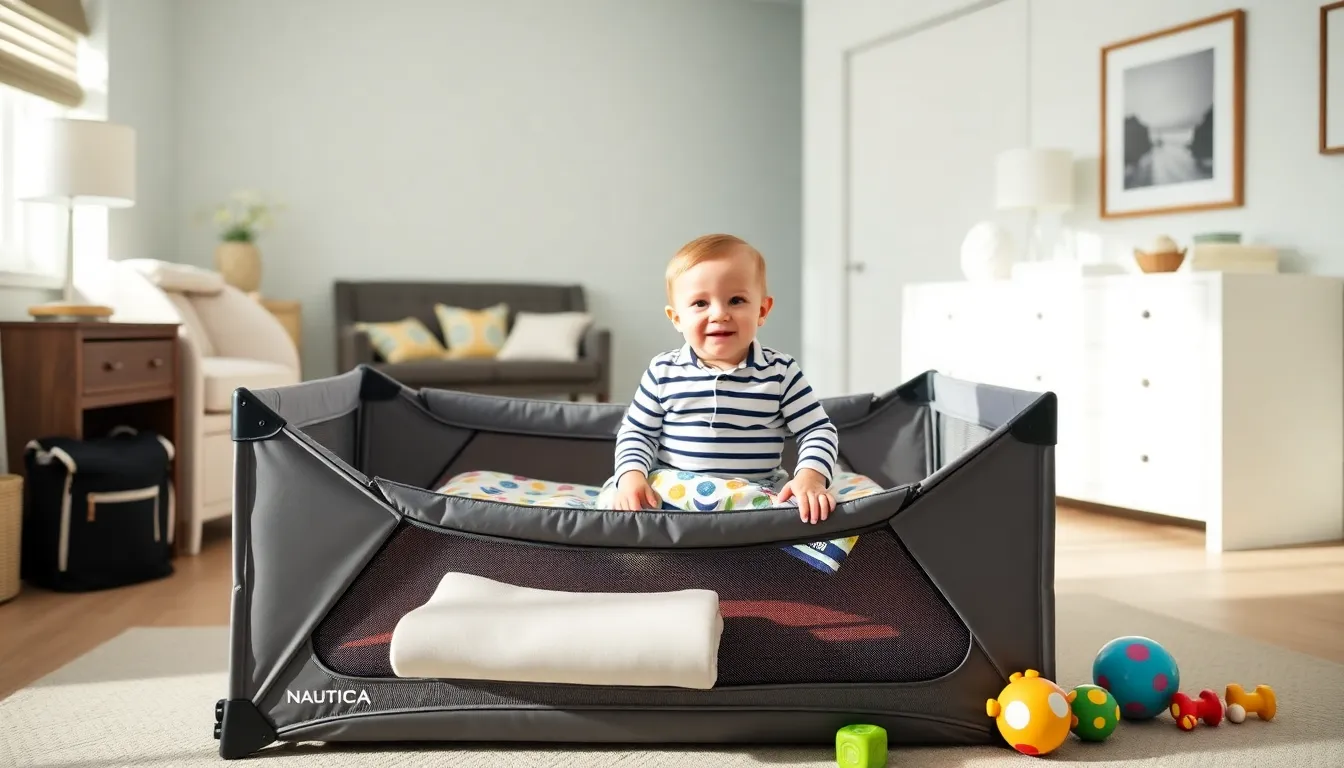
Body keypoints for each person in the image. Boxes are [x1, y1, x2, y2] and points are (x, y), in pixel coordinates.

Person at [608, 233, 839, 524]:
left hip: (751, 496)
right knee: (618, 501)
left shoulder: (780, 372)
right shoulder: (663, 371)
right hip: (675, 496)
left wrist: (810, 478)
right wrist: (631, 478)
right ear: (677, 318)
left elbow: (818, 431)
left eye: (736, 300)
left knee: (814, 509)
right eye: (700, 303)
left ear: (762, 310)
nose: (719, 314)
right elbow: (637, 433)